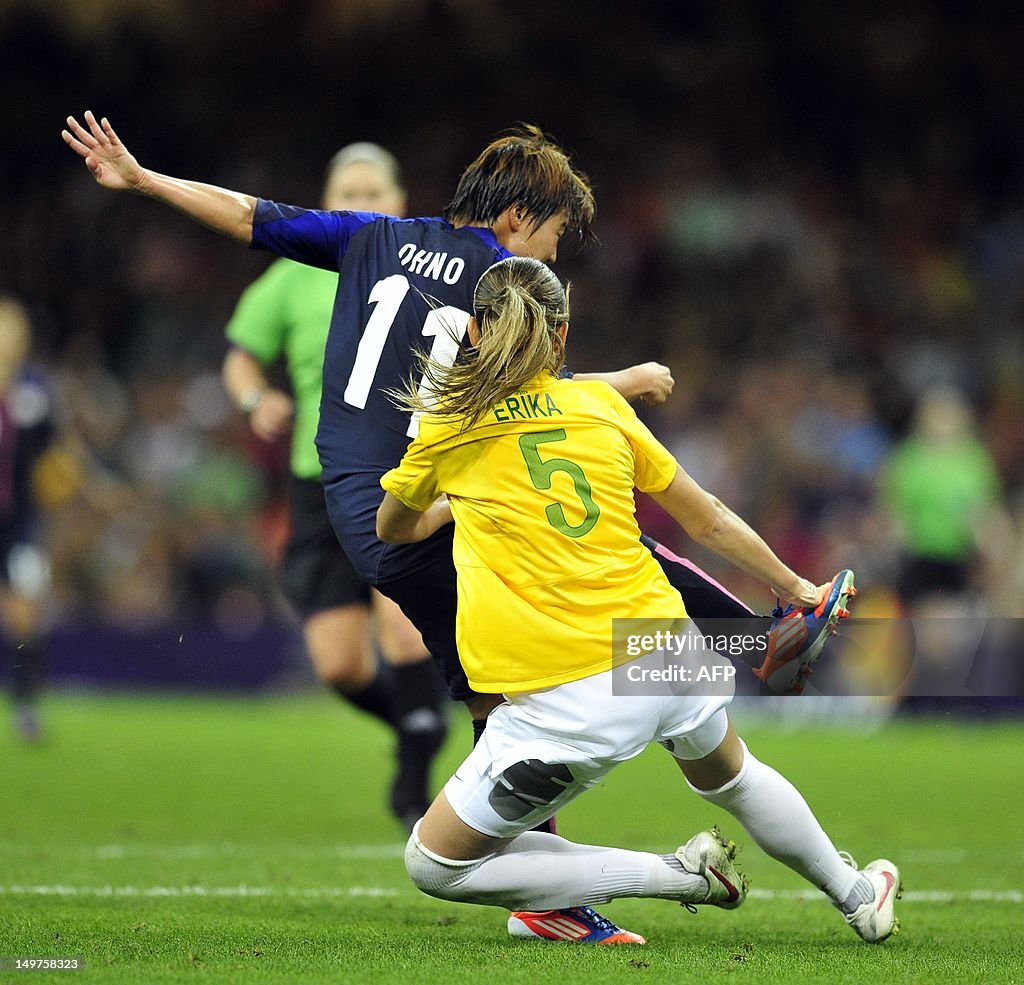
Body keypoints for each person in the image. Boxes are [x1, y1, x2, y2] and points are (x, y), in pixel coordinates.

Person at [62, 111, 854, 943]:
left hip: (364, 514)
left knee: (496, 685)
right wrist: (618, 381)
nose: (547, 258)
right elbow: (525, 389)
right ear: (518, 215)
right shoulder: (495, 276)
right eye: (550, 237)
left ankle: (549, 898)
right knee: (622, 556)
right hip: (419, 507)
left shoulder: (376, 236)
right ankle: (757, 642)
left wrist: (146, 179)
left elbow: (252, 215)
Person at [377, 256, 901, 944]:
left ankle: (681, 875)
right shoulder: (602, 406)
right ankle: (860, 895)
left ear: (474, 332)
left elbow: (393, 527)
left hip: (566, 696)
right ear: (561, 340)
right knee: (732, 775)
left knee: (434, 861)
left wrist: (454, 502)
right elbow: (707, 517)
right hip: (661, 645)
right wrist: (796, 586)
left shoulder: (451, 425)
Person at [222, 142, 447, 830]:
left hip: (399, 475)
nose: (360, 202)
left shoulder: (426, 264)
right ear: (326, 202)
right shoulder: (292, 276)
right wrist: (253, 397)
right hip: (316, 483)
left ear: (400, 203)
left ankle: (414, 793)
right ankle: (420, 726)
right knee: (338, 662)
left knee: (405, 634)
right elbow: (240, 356)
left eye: (373, 191)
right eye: (346, 192)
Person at [0, 297, 54, 741]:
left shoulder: (32, 390)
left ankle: (26, 706)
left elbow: (51, 448)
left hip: (17, 521)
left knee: (22, 614)